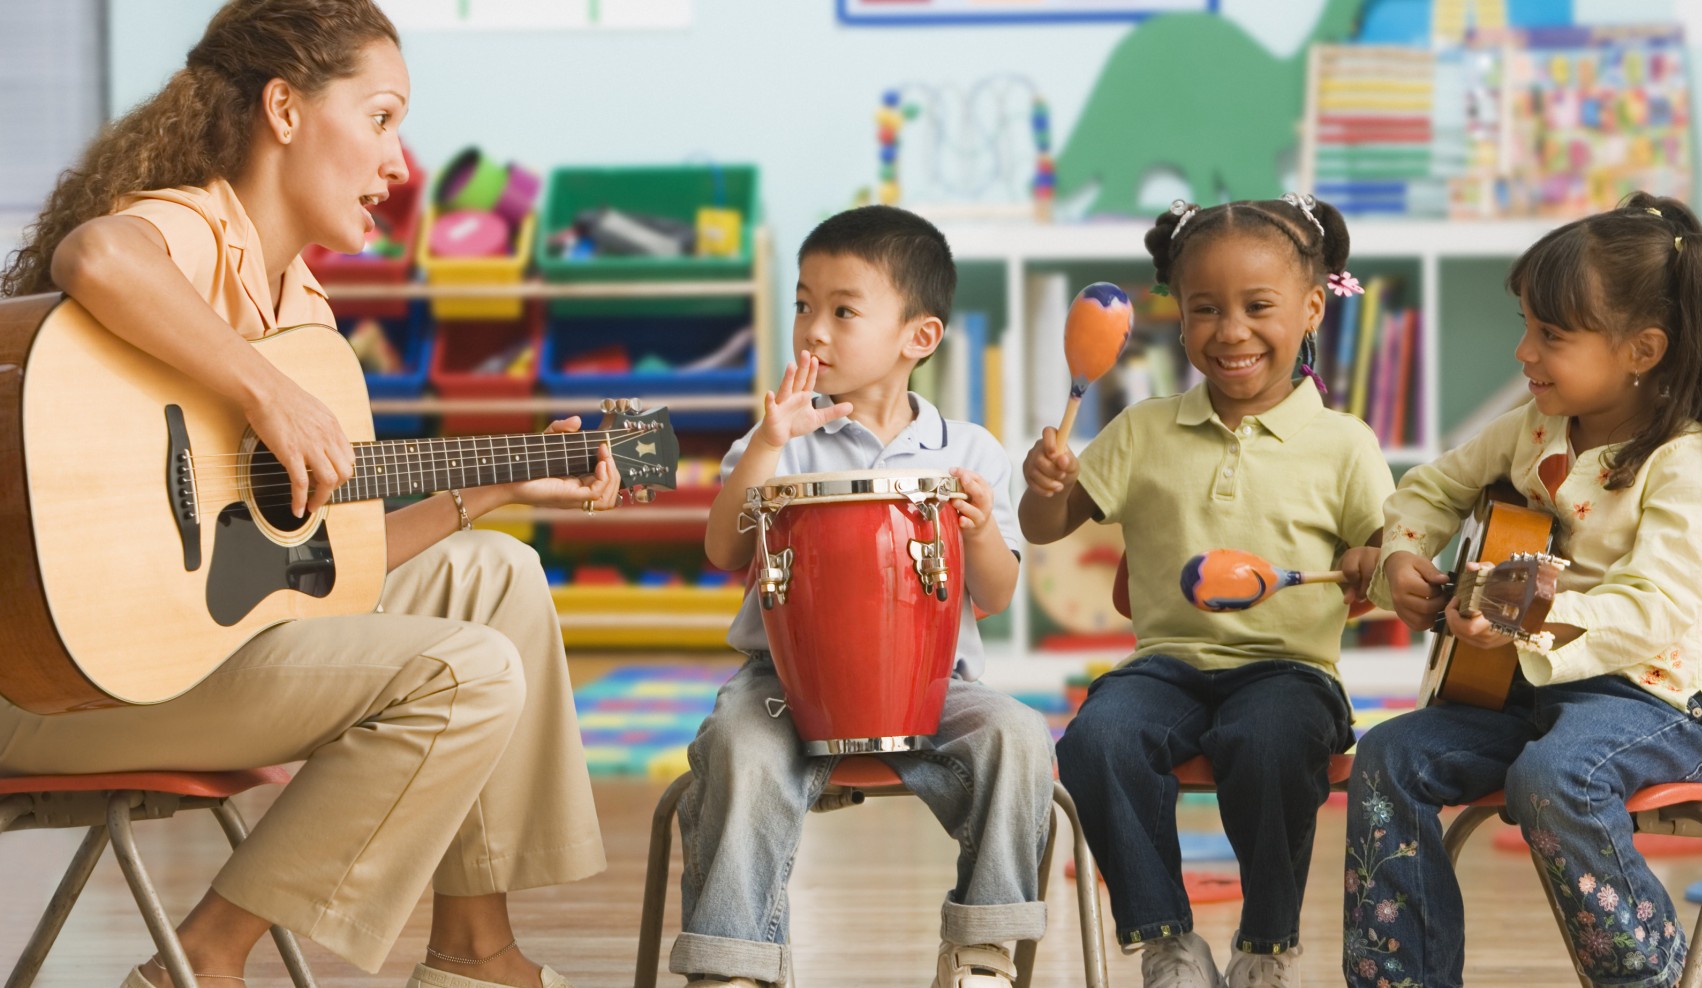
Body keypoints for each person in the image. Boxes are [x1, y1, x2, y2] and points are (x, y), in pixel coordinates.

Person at [0, 3, 614, 986]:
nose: (401, 163)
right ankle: (198, 961)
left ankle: (473, 951)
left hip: (185, 651)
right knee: (463, 671)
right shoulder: (197, 226)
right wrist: (265, 390)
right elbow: (98, 258)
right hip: (63, 682)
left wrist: (489, 487)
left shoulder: (304, 314)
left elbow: (321, 566)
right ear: (284, 109)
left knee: (496, 576)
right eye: (379, 118)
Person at [677, 204, 1054, 988]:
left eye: (842, 310)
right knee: (735, 747)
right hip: (782, 688)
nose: (813, 330)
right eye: (803, 305)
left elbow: (997, 591)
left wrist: (980, 528)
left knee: (1019, 737)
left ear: (919, 337)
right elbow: (723, 549)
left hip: (930, 688)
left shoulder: (971, 450)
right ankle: (733, 963)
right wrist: (770, 445)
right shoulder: (778, 438)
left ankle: (983, 952)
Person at [1023, 194, 1393, 987]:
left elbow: (1391, 556)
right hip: (1167, 667)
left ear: (1312, 309)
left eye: (1258, 307)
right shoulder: (1143, 428)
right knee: (1098, 738)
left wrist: (1374, 561)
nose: (1230, 330)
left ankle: (1265, 947)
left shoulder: (1344, 443)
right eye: (1204, 309)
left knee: (1271, 739)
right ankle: (1168, 943)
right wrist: (1046, 481)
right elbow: (1047, 524)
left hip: (1290, 671)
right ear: (1178, 317)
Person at [1341, 192, 1702, 988]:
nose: (1523, 352)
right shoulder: (1532, 427)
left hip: (1654, 701)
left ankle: (1648, 975)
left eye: (1551, 335)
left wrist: (1521, 621)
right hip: (1525, 696)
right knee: (1388, 756)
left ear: (1642, 349)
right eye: (1526, 326)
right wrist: (1402, 555)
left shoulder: (1683, 461)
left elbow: (1653, 610)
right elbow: (1430, 489)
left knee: (1556, 777)